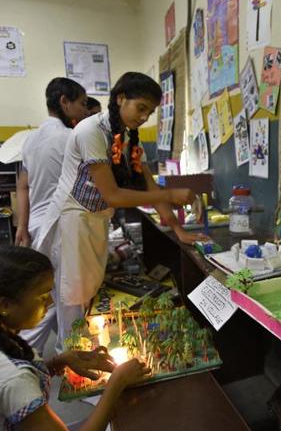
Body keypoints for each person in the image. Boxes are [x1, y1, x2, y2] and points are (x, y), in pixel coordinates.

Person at [34, 72, 207, 349]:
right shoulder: (91, 130)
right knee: (72, 299)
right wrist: (171, 193)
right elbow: (112, 195)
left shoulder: (127, 136)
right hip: (73, 219)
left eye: (149, 113)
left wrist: (177, 229)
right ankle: (74, 366)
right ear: (120, 98)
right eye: (141, 108)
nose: (144, 117)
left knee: (87, 292)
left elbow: (148, 182)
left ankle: (81, 356)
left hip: (95, 220)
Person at [0, 245, 150, 431]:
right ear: (4, 305)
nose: (50, 303)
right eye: (42, 297)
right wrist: (116, 384)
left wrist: (57, 362)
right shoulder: (12, 380)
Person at [15, 77, 87, 353]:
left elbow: (24, 185)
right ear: (64, 102)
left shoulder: (31, 139)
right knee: (70, 296)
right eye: (80, 104)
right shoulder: (71, 137)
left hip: (37, 223)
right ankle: (72, 360)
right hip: (61, 224)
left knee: (45, 294)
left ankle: (22, 352)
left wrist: (22, 225)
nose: (83, 111)